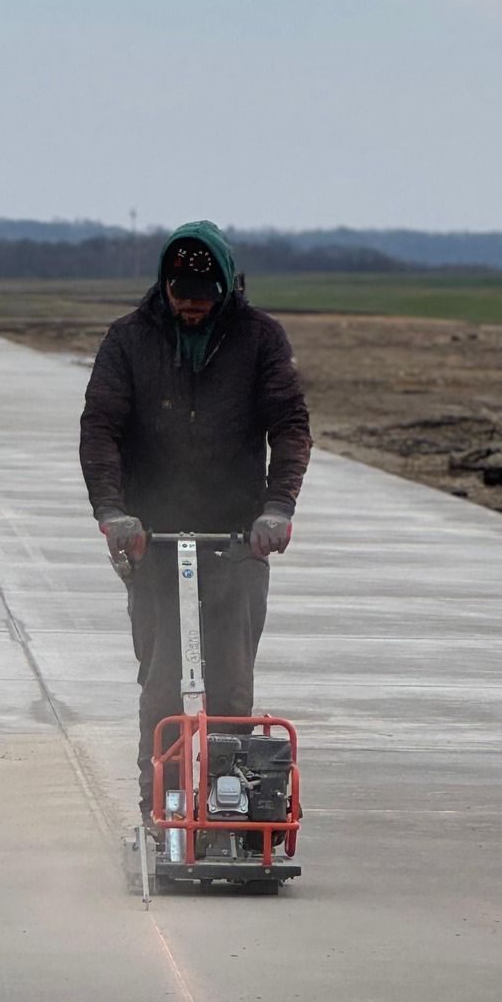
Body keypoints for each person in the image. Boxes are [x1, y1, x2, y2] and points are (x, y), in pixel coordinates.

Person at [78, 220, 311, 826]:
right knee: (162, 685)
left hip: (237, 538)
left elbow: (290, 427)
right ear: (165, 285)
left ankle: (228, 809)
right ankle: (161, 810)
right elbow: (100, 427)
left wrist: (277, 509)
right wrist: (113, 512)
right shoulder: (129, 339)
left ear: (227, 288)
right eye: (182, 293)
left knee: (231, 686)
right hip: (152, 540)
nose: (191, 306)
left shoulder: (260, 339)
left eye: (204, 296)